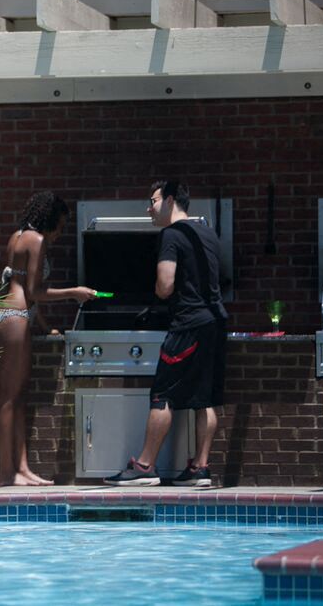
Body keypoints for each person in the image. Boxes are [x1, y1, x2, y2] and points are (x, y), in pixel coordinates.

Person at [106, 180, 227, 487]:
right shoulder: (208, 233)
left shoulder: (171, 235)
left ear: (171, 200)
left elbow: (165, 285)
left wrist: (157, 294)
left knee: (162, 395)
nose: (149, 208)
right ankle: (200, 468)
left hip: (186, 323)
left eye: (153, 201)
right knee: (205, 398)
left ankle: (144, 466)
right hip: (214, 322)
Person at [0, 191, 96, 486]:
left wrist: (44, 325)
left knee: (17, 397)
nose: (59, 232)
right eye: (60, 225)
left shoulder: (17, 236)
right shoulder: (36, 240)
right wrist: (74, 292)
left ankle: (21, 469)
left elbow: (21, 288)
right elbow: (36, 292)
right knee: (10, 398)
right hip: (15, 319)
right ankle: (6, 473)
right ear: (50, 220)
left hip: (7, 316)